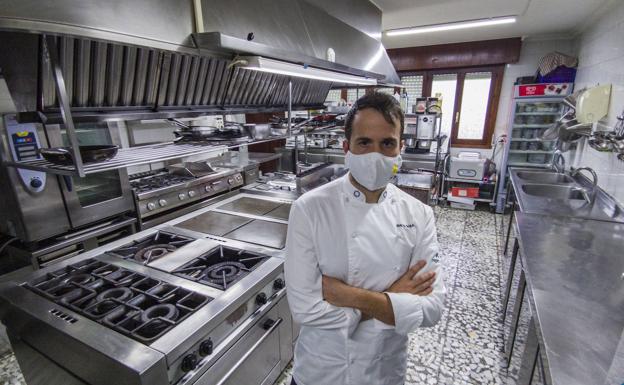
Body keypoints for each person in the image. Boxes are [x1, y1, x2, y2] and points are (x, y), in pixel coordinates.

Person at [284, 91, 445, 385]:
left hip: (383, 371)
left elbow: (433, 309)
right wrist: (393, 299)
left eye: (387, 143)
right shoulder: (309, 210)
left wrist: (347, 296)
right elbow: (305, 309)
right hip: (322, 372)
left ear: (400, 148)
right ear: (347, 148)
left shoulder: (419, 214)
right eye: (364, 143)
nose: (376, 154)